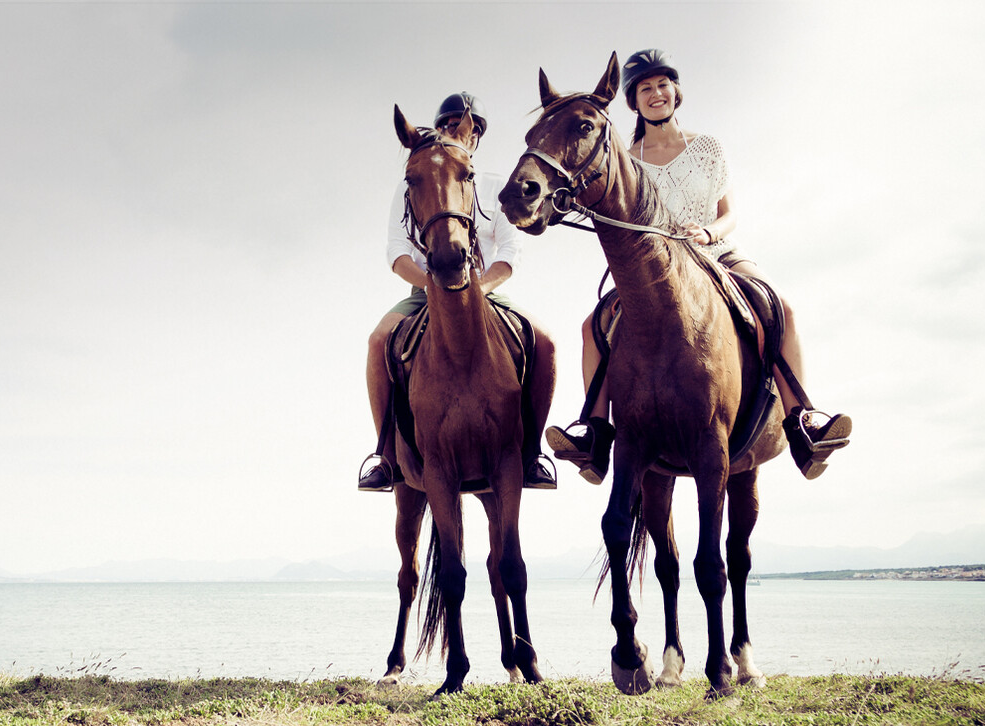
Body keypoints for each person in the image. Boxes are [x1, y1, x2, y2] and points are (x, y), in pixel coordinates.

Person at [543, 49, 853, 482]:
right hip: (655, 271)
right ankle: (594, 434)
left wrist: (709, 233)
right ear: (633, 101)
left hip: (716, 252)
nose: (656, 94)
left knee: (781, 308)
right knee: (590, 329)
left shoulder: (706, 147)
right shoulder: (627, 161)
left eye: (662, 84)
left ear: (675, 91)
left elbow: (730, 214)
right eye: (645, 88)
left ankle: (803, 420)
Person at [358, 92, 560, 492]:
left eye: (466, 127)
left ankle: (532, 451)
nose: (456, 132)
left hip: (483, 289)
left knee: (547, 342)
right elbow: (397, 253)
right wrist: (434, 288)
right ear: (438, 129)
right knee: (379, 339)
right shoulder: (410, 183)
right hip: (425, 289)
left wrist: (474, 291)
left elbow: (509, 253)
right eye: (448, 124)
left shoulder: (495, 186)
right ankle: (384, 453)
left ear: (475, 137)